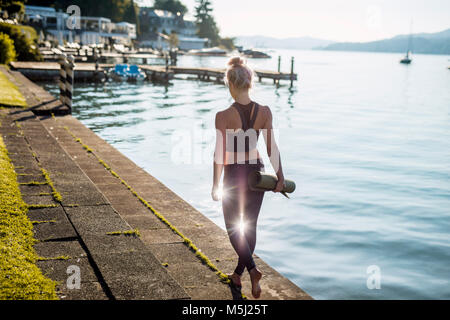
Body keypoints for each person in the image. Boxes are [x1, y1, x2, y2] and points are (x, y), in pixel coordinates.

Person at [212, 57, 285, 299]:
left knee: (233, 227)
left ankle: (252, 271)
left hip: (234, 174)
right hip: (256, 173)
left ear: (230, 85)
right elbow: (272, 148)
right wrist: (280, 177)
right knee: (250, 225)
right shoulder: (264, 112)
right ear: (250, 83)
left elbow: (220, 154)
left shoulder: (223, 116)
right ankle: (238, 275)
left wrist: (215, 185)